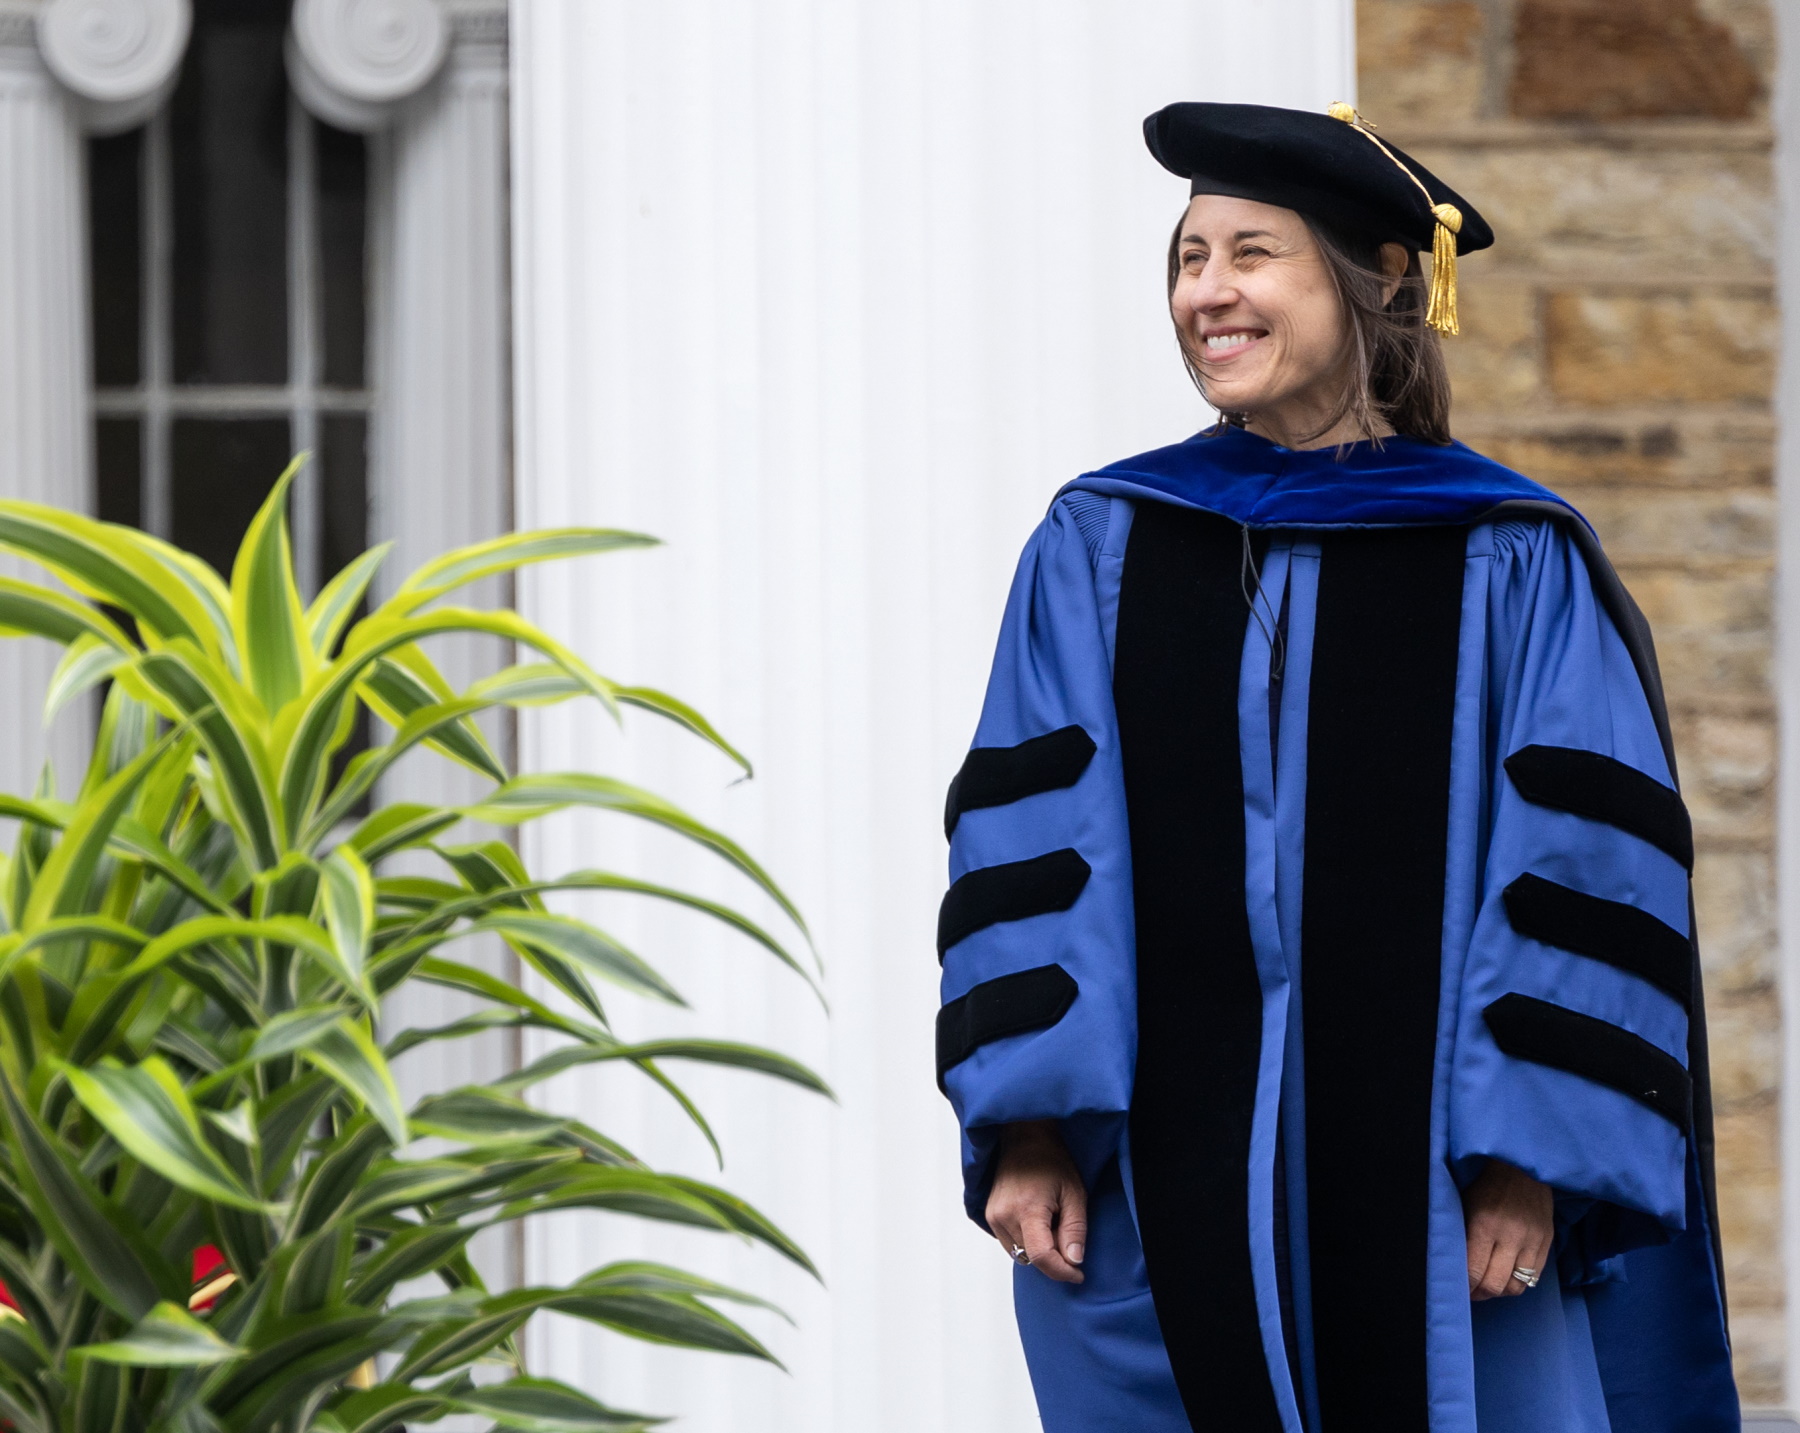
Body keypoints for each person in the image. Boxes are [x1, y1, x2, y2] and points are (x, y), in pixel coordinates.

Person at [935, 101, 1739, 1433]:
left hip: (1448, 1209)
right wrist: (1025, 1127)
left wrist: (1531, 1161)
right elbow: (1027, 851)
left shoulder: (1516, 560)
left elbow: (1582, 870)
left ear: (1374, 284)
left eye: (1250, 254)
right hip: (1161, 1203)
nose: (1208, 292)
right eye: (1189, 260)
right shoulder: (1100, 547)